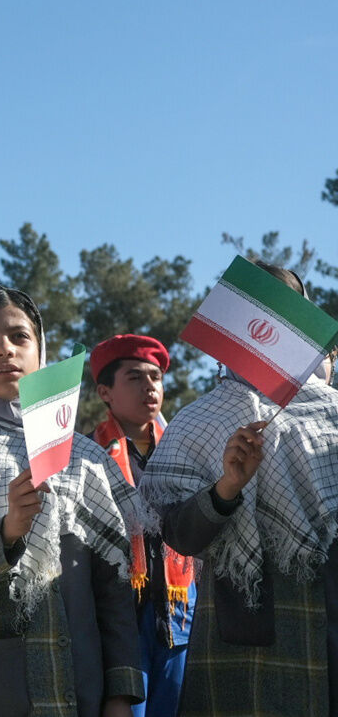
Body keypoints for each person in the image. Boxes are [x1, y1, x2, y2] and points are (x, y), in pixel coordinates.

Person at [0, 284, 144, 717]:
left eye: (19, 337)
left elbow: (114, 589)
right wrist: (7, 532)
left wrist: (120, 694)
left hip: (83, 688)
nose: (4, 349)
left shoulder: (82, 456)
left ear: (40, 350)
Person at [138, 263, 338, 717]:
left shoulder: (333, 410)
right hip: (245, 635)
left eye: (283, 312)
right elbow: (178, 534)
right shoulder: (199, 420)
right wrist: (226, 488)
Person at [90, 334, 196, 717]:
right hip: (120, 617)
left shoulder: (184, 451)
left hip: (179, 613)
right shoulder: (89, 455)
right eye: (134, 377)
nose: (150, 386)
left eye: (156, 377)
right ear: (105, 392)